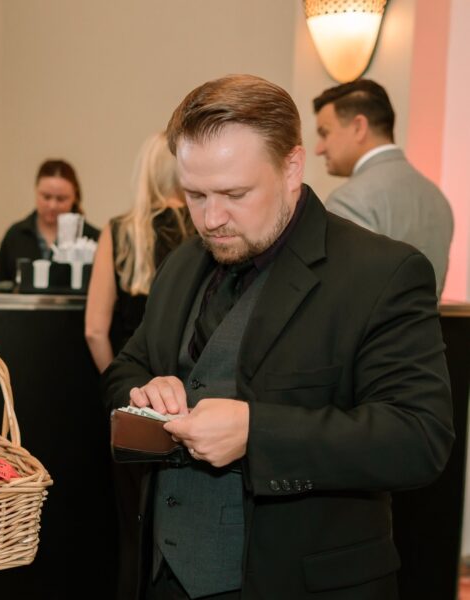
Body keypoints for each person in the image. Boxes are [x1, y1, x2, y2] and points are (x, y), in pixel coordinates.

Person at [102, 75, 453, 599]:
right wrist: (143, 391)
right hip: (160, 578)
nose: (211, 218)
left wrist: (256, 432)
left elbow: (419, 437)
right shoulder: (181, 264)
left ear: (291, 168)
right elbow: (123, 369)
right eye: (195, 195)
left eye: (235, 193)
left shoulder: (382, 272)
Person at [85, 131, 193, 599]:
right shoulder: (203, 232)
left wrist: (121, 386)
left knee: (133, 526)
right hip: (192, 398)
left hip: (137, 402)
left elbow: (94, 329)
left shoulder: (121, 229)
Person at [313, 79, 454, 298]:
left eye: (324, 133)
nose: (319, 148)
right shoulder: (436, 197)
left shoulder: (349, 199)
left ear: (359, 127)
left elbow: (343, 296)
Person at [0, 159, 99, 287]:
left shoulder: (90, 239)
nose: (52, 205)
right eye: (46, 197)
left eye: (61, 199)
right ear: (36, 192)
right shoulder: (16, 235)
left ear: (75, 197)